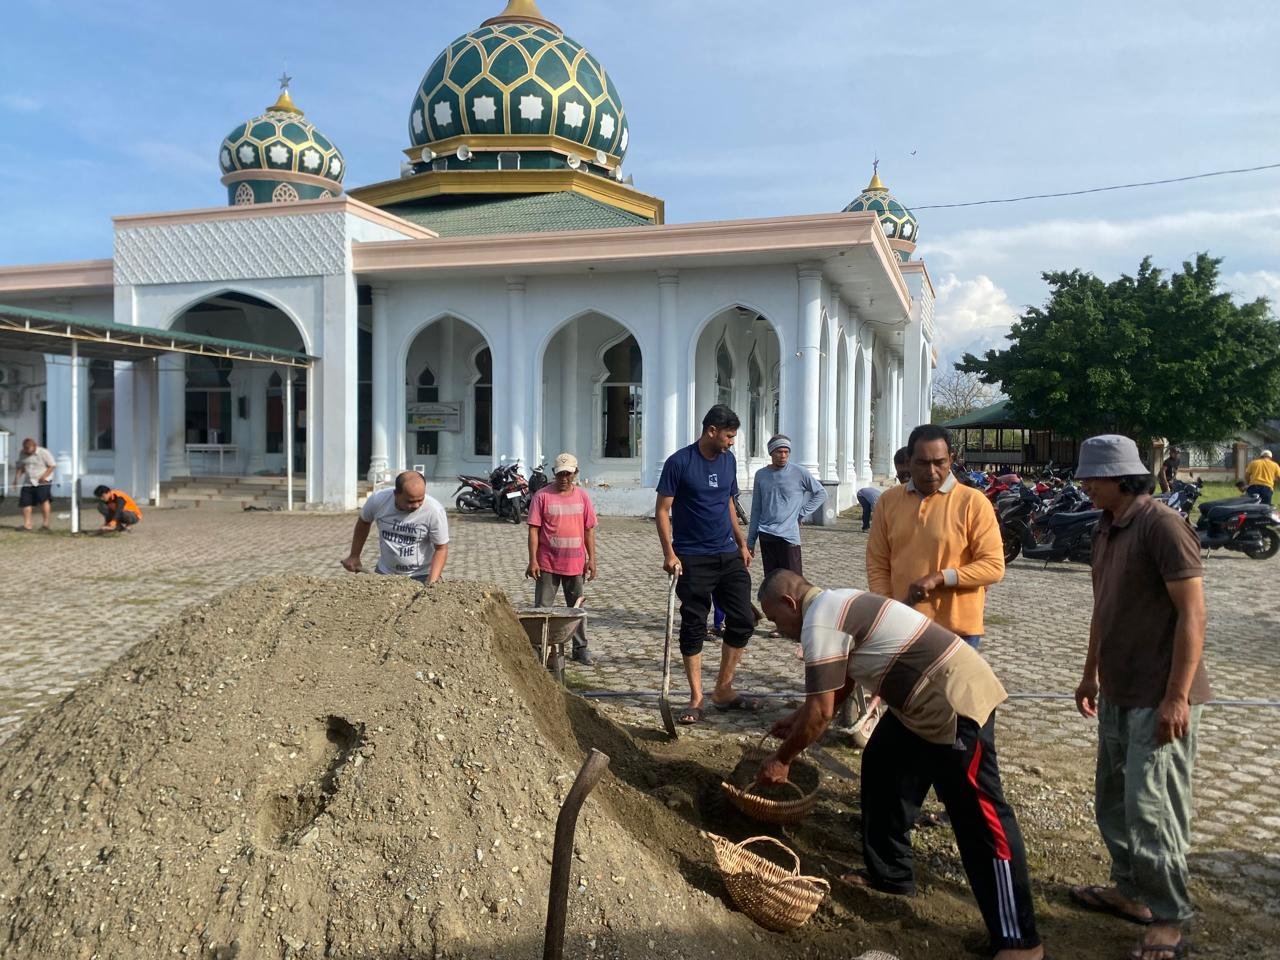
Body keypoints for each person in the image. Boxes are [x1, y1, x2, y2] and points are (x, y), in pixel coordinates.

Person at [755, 569, 1044, 960]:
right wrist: (796, 715)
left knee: (979, 816)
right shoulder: (833, 602)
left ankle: (1020, 941)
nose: (778, 629)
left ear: (789, 603)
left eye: (775, 620)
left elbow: (821, 715)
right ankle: (891, 875)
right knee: (882, 765)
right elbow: (841, 683)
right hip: (917, 706)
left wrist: (782, 759)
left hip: (953, 700)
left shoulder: (820, 620)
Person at [1070, 435, 1208, 960]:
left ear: (1121, 477)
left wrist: (1178, 697)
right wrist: (1089, 674)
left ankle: (1170, 916)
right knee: (1112, 801)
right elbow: (1102, 608)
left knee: (1153, 809)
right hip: (1118, 688)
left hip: (1160, 692)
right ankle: (1130, 893)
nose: (1085, 485)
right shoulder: (1105, 529)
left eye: (1093, 477)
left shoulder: (1163, 526)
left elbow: (1193, 614)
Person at [655, 404, 757, 724]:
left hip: (727, 554)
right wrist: (669, 553)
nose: (731, 442)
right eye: (729, 436)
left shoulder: (728, 461)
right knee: (694, 625)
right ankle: (696, 696)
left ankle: (723, 689)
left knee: (743, 620)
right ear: (711, 431)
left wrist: (741, 543)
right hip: (693, 557)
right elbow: (662, 510)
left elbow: (728, 502)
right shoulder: (679, 462)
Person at [867, 425, 1004, 650]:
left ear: (951, 459)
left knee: (951, 687)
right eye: (922, 463)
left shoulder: (973, 502)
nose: (931, 471)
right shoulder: (888, 501)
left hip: (958, 631)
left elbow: (993, 566)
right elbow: (878, 563)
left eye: (939, 462)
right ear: (908, 460)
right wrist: (888, 609)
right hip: (903, 626)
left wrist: (940, 577)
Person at [526, 452, 598, 665]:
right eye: (560, 474)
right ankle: (539, 648)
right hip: (547, 562)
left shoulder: (583, 497)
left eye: (568, 474)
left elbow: (589, 530)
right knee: (542, 608)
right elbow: (533, 531)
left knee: (576, 608)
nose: (564, 478)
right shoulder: (542, 496)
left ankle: (580, 648)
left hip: (575, 563)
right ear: (553, 474)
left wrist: (592, 559)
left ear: (576, 473)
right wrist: (533, 560)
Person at [342, 470, 449, 583]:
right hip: (385, 573)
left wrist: (432, 581)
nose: (416, 505)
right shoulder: (378, 500)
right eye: (410, 501)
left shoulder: (434, 511)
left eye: (420, 500)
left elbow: (441, 548)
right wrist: (354, 555)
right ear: (396, 494)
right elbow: (364, 522)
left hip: (422, 575)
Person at [746, 434, 826, 574]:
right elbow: (756, 509)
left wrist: (801, 513)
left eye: (786, 452)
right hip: (766, 535)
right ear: (771, 453)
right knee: (773, 582)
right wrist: (751, 541)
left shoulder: (799, 472)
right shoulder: (761, 475)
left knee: (793, 582)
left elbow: (821, 493)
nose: (783, 455)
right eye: (779, 452)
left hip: (789, 537)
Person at [856, 448, 911, 532]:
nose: (906, 479)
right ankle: (865, 526)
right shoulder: (885, 499)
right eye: (901, 475)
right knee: (867, 510)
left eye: (909, 474)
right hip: (861, 494)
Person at [14, 437, 55, 532]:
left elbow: (52, 465)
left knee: (44, 501)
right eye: (26, 449)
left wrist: (44, 476)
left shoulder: (43, 452)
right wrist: (16, 479)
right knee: (25, 502)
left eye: (29, 449)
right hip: (28, 481)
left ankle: (45, 525)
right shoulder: (22, 453)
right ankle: (27, 525)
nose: (27, 452)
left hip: (43, 482)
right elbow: (20, 467)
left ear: (35, 446)